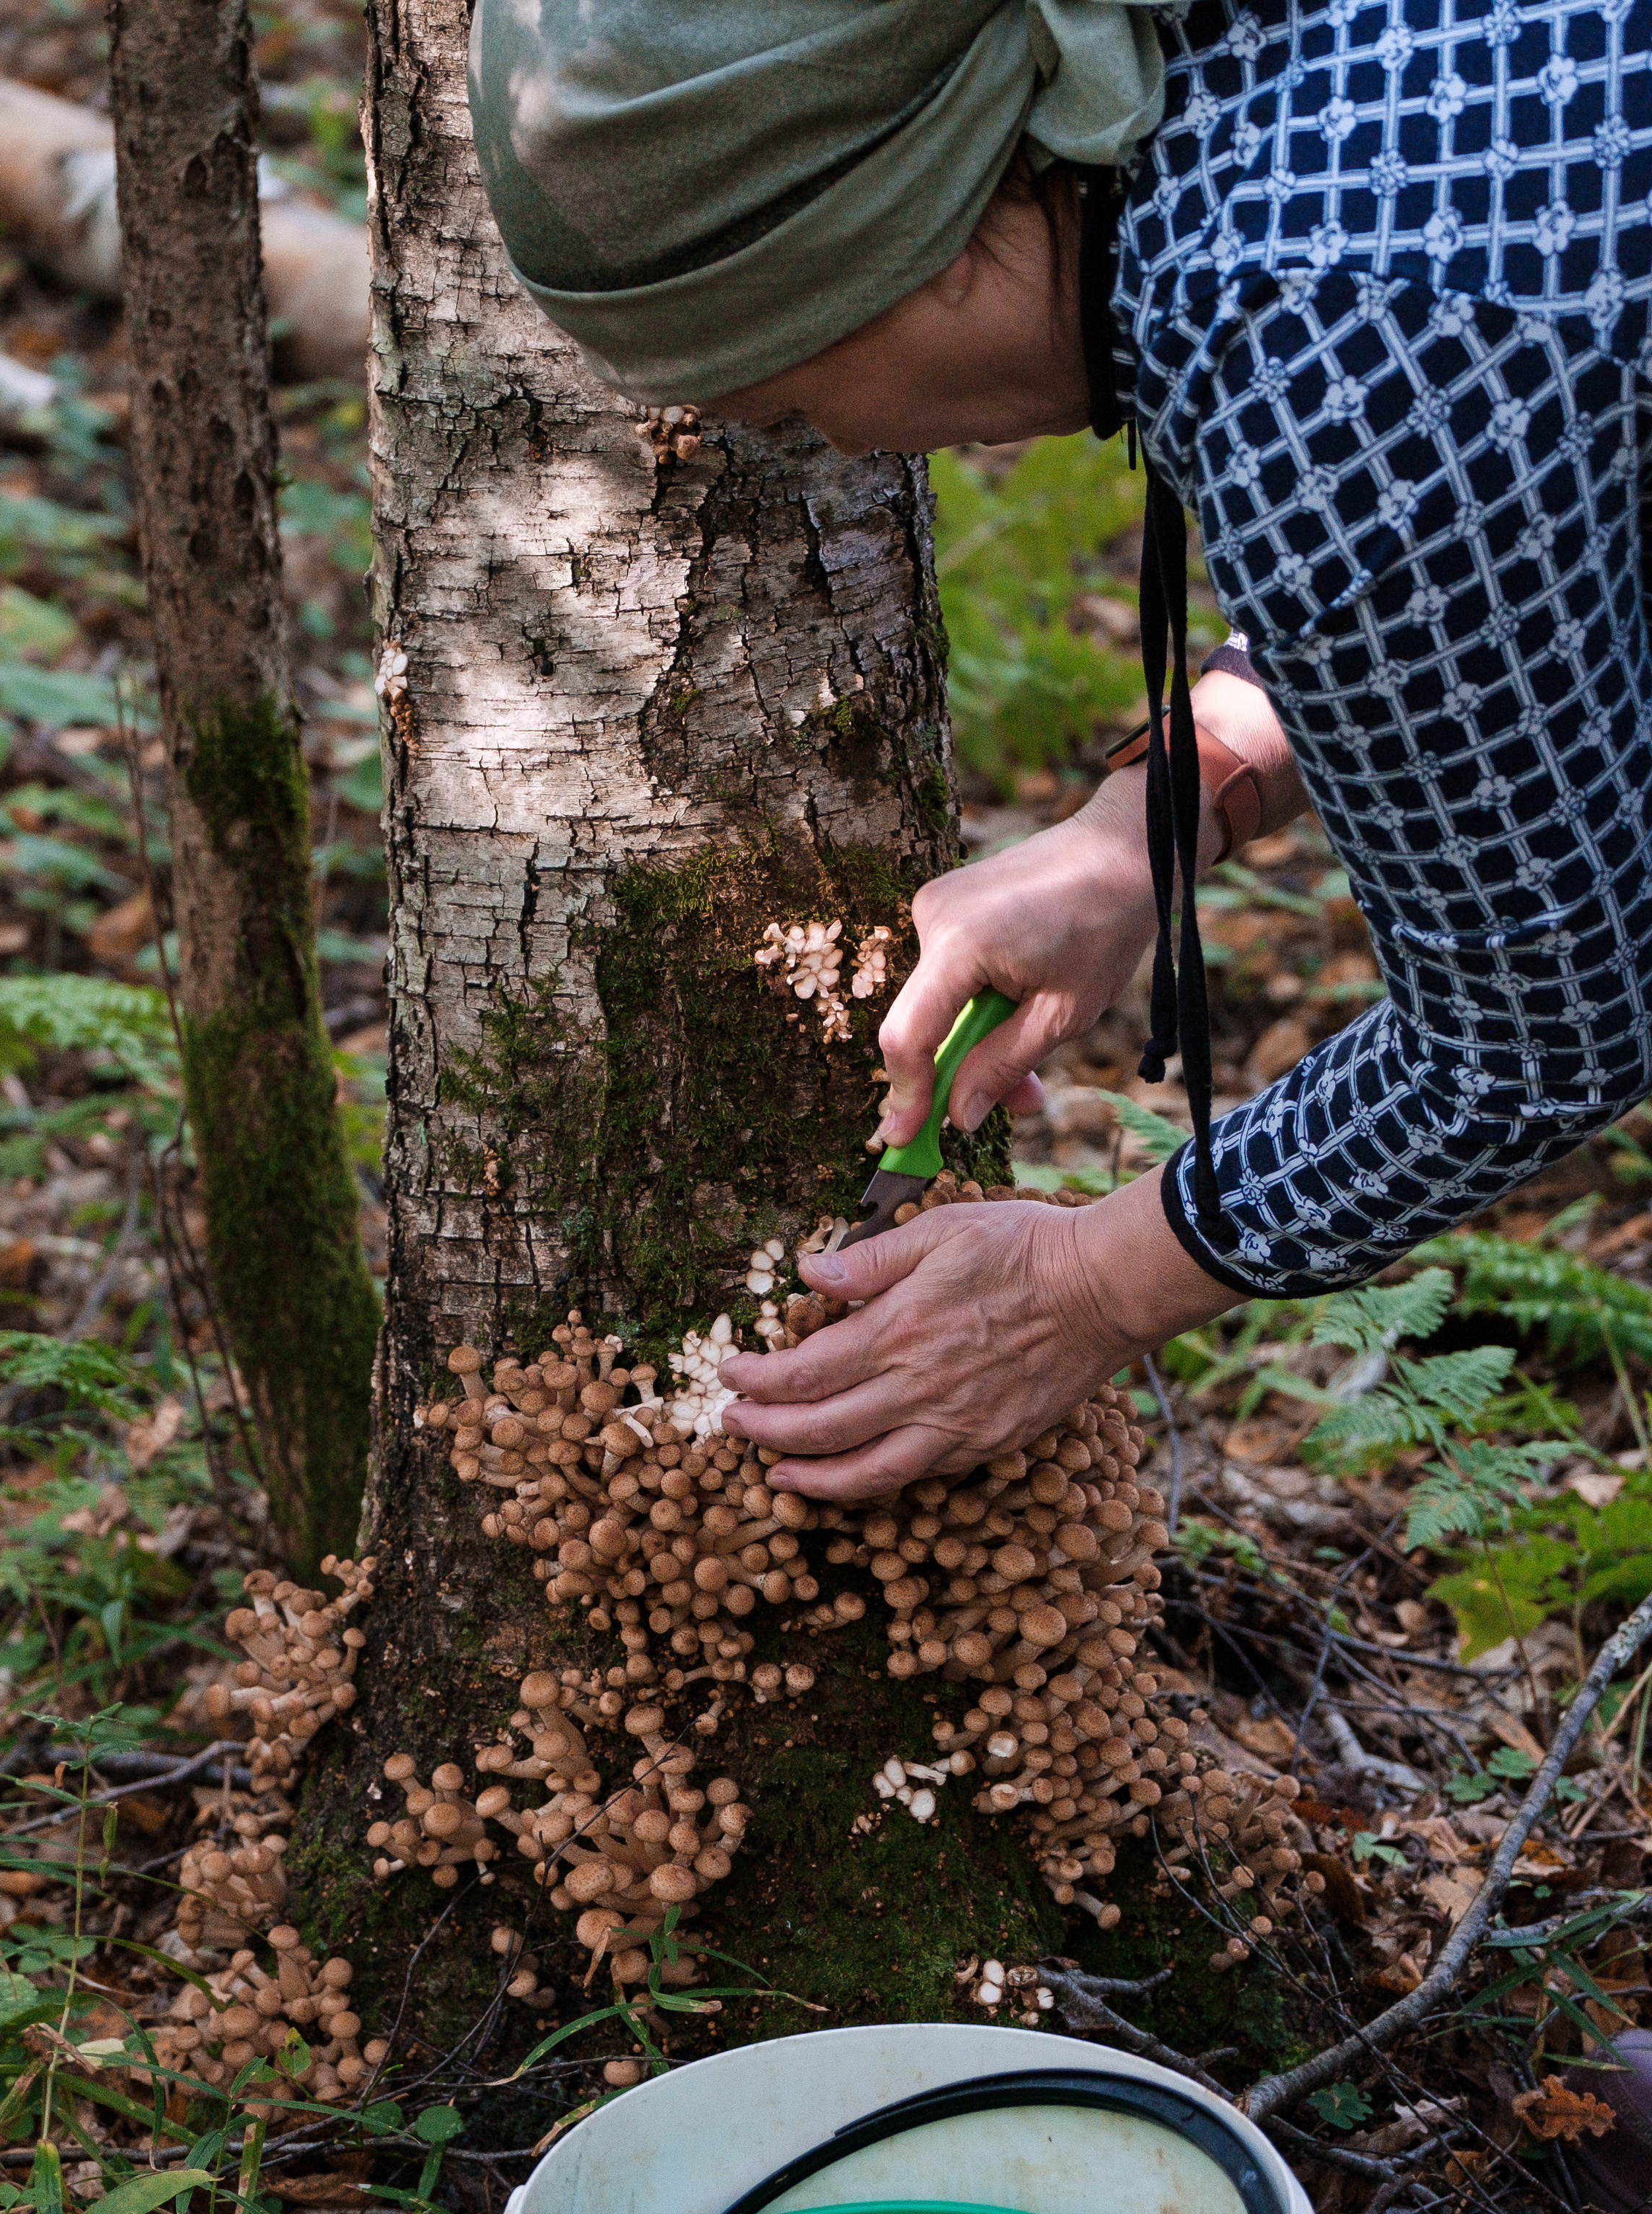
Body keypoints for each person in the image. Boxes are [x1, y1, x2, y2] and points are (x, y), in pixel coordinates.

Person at [469, 0, 1652, 1499]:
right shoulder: (1266, 96)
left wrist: (1087, 1285)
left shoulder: (1315, 338)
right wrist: (1152, 822)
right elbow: (1522, 539)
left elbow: (1542, 1034)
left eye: (783, 392)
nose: (836, 443)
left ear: (917, 244)